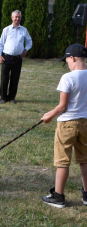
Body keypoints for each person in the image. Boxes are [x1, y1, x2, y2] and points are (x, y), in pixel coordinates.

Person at [41, 43, 87, 208]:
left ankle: (58, 197)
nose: (67, 63)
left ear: (73, 58)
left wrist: (49, 116)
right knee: (84, 159)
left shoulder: (68, 77)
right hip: (85, 123)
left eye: (67, 60)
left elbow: (62, 106)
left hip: (67, 124)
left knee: (62, 161)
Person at [0, 10, 32, 104]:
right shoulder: (6, 30)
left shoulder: (24, 30)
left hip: (18, 58)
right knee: (4, 78)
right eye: (16, 17)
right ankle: (3, 98)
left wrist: (25, 50)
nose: (17, 19)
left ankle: (12, 97)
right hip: (6, 57)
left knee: (15, 78)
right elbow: (0, 44)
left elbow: (29, 41)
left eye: (19, 17)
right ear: (12, 18)